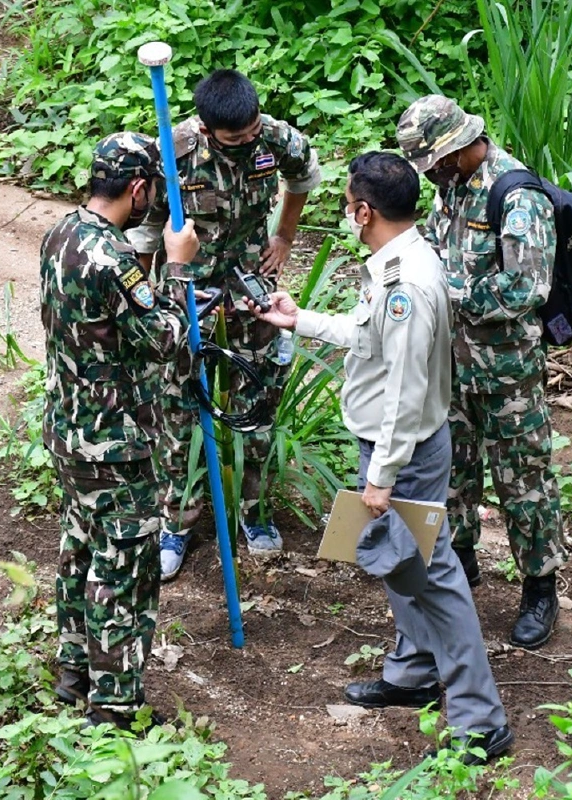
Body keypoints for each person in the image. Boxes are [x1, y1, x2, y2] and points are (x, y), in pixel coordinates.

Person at [247, 151, 513, 764]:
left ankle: (481, 717)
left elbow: (404, 388)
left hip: (406, 452)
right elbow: (372, 341)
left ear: (363, 211)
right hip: (396, 446)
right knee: (401, 565)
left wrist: (381, 475)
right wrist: (299, 320)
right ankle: (413, 670)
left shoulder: (406, 285)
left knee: (437, 577)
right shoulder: (402, 262)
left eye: (346, 206)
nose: (346, 214)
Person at [127, 69, 323, 580]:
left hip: (250, 289)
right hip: (187, 292)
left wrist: (283, 234)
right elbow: (149, 229)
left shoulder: (276, 137)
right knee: (180, 404)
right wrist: (146, 294)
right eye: (236, 138)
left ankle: (253, 512)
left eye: (253, 128)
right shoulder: (174, 150)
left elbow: (303, 177)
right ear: (210, 129)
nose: (249, 140)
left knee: (255, 399)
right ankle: (179, 520)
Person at [40, 132, 200, 729]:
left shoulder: (63, 233)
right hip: (116, 441)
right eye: (150, 191)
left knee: (80, 549)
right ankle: (114, 705)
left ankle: (74, 669)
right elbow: (163, 338)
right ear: (137, 188)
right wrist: (178, 269)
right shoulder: (110, 259)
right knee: (123, 566)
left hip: (70, 426)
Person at [396, 95, 568, 649]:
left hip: (506, 371)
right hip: (453, 362)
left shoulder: (515, 195)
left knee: (524, 479)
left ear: (457, 146)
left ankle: (540, 588)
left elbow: (528, 287)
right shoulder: (450, 187)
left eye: (435, 163)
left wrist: (452, 292)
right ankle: (462, 565)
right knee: (456, 471)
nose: (432, 176)